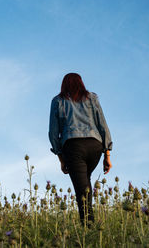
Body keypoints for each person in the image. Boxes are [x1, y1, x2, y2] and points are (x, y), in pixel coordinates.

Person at [48, 73, 113, 226]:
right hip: (94, 146)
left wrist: (61, 158)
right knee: (85, 185)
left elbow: (53, 132)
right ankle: (89, 225)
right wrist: (107, 154)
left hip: (73, 147)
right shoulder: (92, 98)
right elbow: (102, 124)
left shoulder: (58, 101)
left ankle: (88, 228)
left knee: (81, 191)